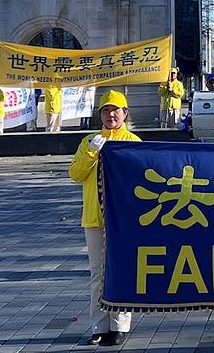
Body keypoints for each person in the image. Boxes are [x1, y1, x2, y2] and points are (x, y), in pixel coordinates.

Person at [68, 89, 141, 347]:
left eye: (115, 110)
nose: (111, 115)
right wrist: (91, 152)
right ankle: (99, 326)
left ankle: (119, 326)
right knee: (98, 273)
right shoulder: (89, 141)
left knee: (121, 270)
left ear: (125, 113)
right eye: (106, 110)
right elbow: (75, 174)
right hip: (95, 217)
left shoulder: (133, 141)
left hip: (122, 220)